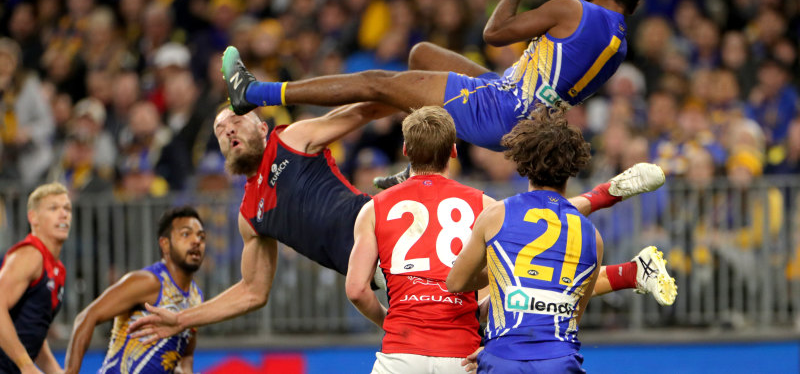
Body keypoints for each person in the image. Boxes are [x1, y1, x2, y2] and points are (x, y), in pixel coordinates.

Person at [127, 103, 670, 342]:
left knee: (518, 276)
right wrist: (182, 319)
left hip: (387, 236)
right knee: (521, 280)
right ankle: (624, 258)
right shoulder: (251, 215)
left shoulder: (291, 138)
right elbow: (252, 292)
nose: (228, 131)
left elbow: (363, 106)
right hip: (390, 250)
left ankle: (603, 201)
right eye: (220, 129)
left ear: (259, 118)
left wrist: (407, 94)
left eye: (235, 119)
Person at [220, 0, 650, 153]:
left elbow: (494, 33)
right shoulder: (619, 45)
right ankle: (421, 157)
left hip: (498, 107)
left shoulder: (574, 9)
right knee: (422, 54)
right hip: (516, 103)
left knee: (378, 82)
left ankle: (253, 93)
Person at [447, 104, 604, 372]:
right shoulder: (593, 235)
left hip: (502, 357)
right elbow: (572, 316)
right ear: (572, 167)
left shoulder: (496, 214)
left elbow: (456, 282)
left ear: (523, 162)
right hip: (560, 359)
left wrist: (501, 272)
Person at [346, 106, 490, 373]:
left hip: (400, 353)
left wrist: (390, 320)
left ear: (406, 151)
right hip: (462, 354)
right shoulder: (486, 206)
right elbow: (512, 278)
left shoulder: (373, 209)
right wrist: (480, 310)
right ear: (454, 151)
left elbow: (356, 290)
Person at [64, 206, 206, 374]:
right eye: (185, 234)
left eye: (201, 236)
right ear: (165, 244)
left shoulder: (197, 297)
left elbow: (186, 355)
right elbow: (86, 317)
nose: (196, 241)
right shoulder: (147, 281)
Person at [0, 182, 71, 374]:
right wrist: (26, 364)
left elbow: (32, 331)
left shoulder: (57, 268)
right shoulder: (30, 255)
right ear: (33, 217)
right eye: (53, 208)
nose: (63, 214)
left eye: (67, 208)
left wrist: (55, 371)